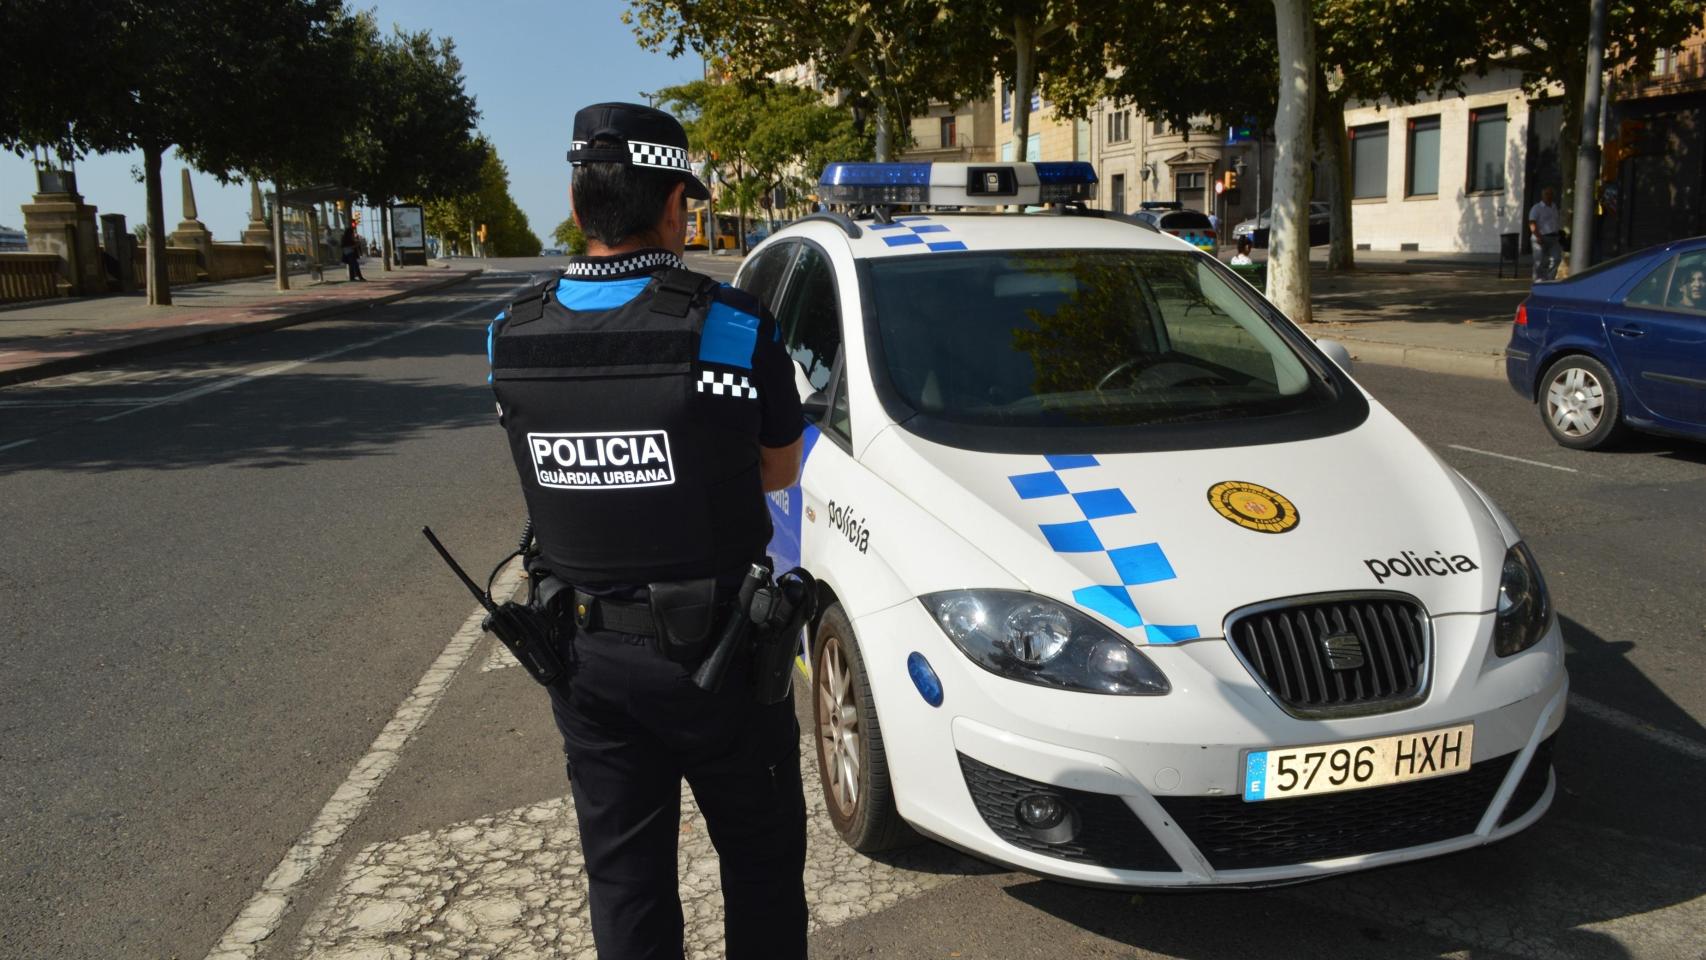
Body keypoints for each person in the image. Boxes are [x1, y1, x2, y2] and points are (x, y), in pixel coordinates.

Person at [485, 102, 807, 960]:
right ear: (673, 207)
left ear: (576, 198)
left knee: (625, 884)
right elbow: (780, 470)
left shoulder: (509, 334)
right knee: (763, 866)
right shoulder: (731, 327)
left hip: (584, 659)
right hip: (721, 662)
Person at [1528, 187, 1563, 282]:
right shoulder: (1537, 208)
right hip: (1540, 236)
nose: (1549, 196)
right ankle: (1538, 280)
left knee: (1556, 258)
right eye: (1546, 194)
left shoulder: (1554, 207)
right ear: (1542, 195)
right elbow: (1532, 223)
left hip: (1553, 237)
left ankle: (1549, 279)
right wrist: (1538, 236)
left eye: (1550, 194)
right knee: (1539, 262)